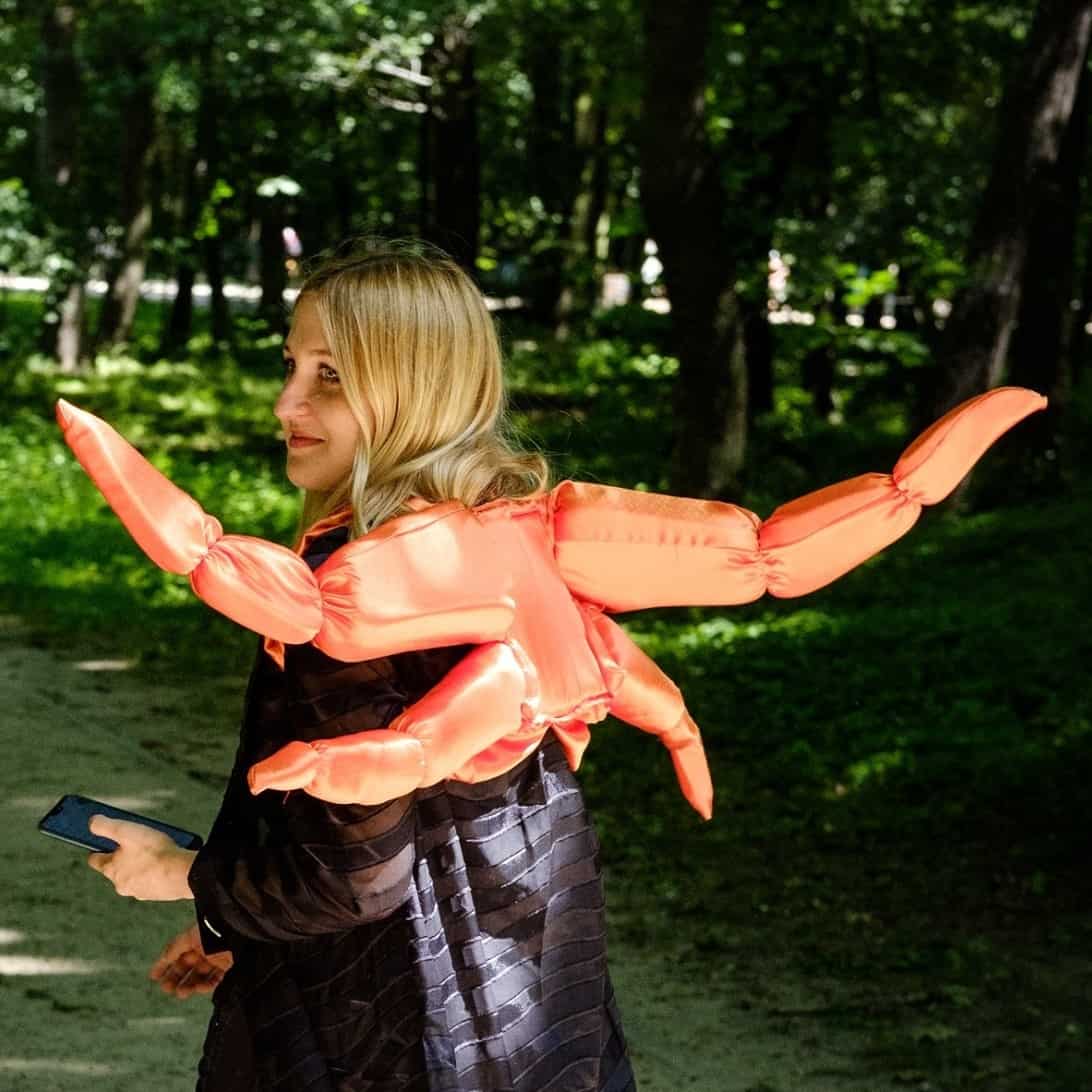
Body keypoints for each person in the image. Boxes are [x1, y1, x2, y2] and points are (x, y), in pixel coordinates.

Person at [85, 239, 637, 1092]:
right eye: (292, 365)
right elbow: (444, 827)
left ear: (416, 388)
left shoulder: (353, 597)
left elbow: (351, 882)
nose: (286, 402)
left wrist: (179, 873)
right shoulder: (511, 541)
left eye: (331, 376)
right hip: (533, 1018)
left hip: (373, 1038)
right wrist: (236, 926)